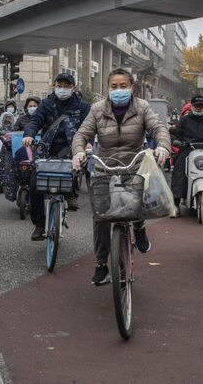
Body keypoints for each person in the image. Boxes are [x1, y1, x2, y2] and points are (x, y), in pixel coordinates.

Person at [71, 68, 171, 285]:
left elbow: (158, 128)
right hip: (104, 165)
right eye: (114, 87)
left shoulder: (142, 107)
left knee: (136, 202)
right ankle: (101, 265)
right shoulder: (97, 109)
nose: (118, 90)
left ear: (132, 87)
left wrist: (162, 146)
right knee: (101, 216)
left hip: (133, 164)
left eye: (123, 86)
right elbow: (82, 134)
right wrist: (78, 151)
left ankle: (139, 227)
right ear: (108, 88)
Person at [21, 73, 90, 241]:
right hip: (47, 149)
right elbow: (35, 121)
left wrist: (88, 143)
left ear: (74, 87)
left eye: (67, 86)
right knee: (35, 184)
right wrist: (29, 134)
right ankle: (39, 225)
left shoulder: (82, 106)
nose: (62, 89)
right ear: (54, 85)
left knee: (74, 173)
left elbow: (89, 126)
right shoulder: (46, 103)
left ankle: (72, 193)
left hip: (72, 149)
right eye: (60, 85)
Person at [171, 95, 203, 210]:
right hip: (187, 149)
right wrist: (177, 141)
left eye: (201, 106)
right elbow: (176, 134)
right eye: (196, 106)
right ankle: (175, 204)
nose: (199, 108)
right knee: (179, 171)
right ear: (192, 107)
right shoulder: (184, 120)